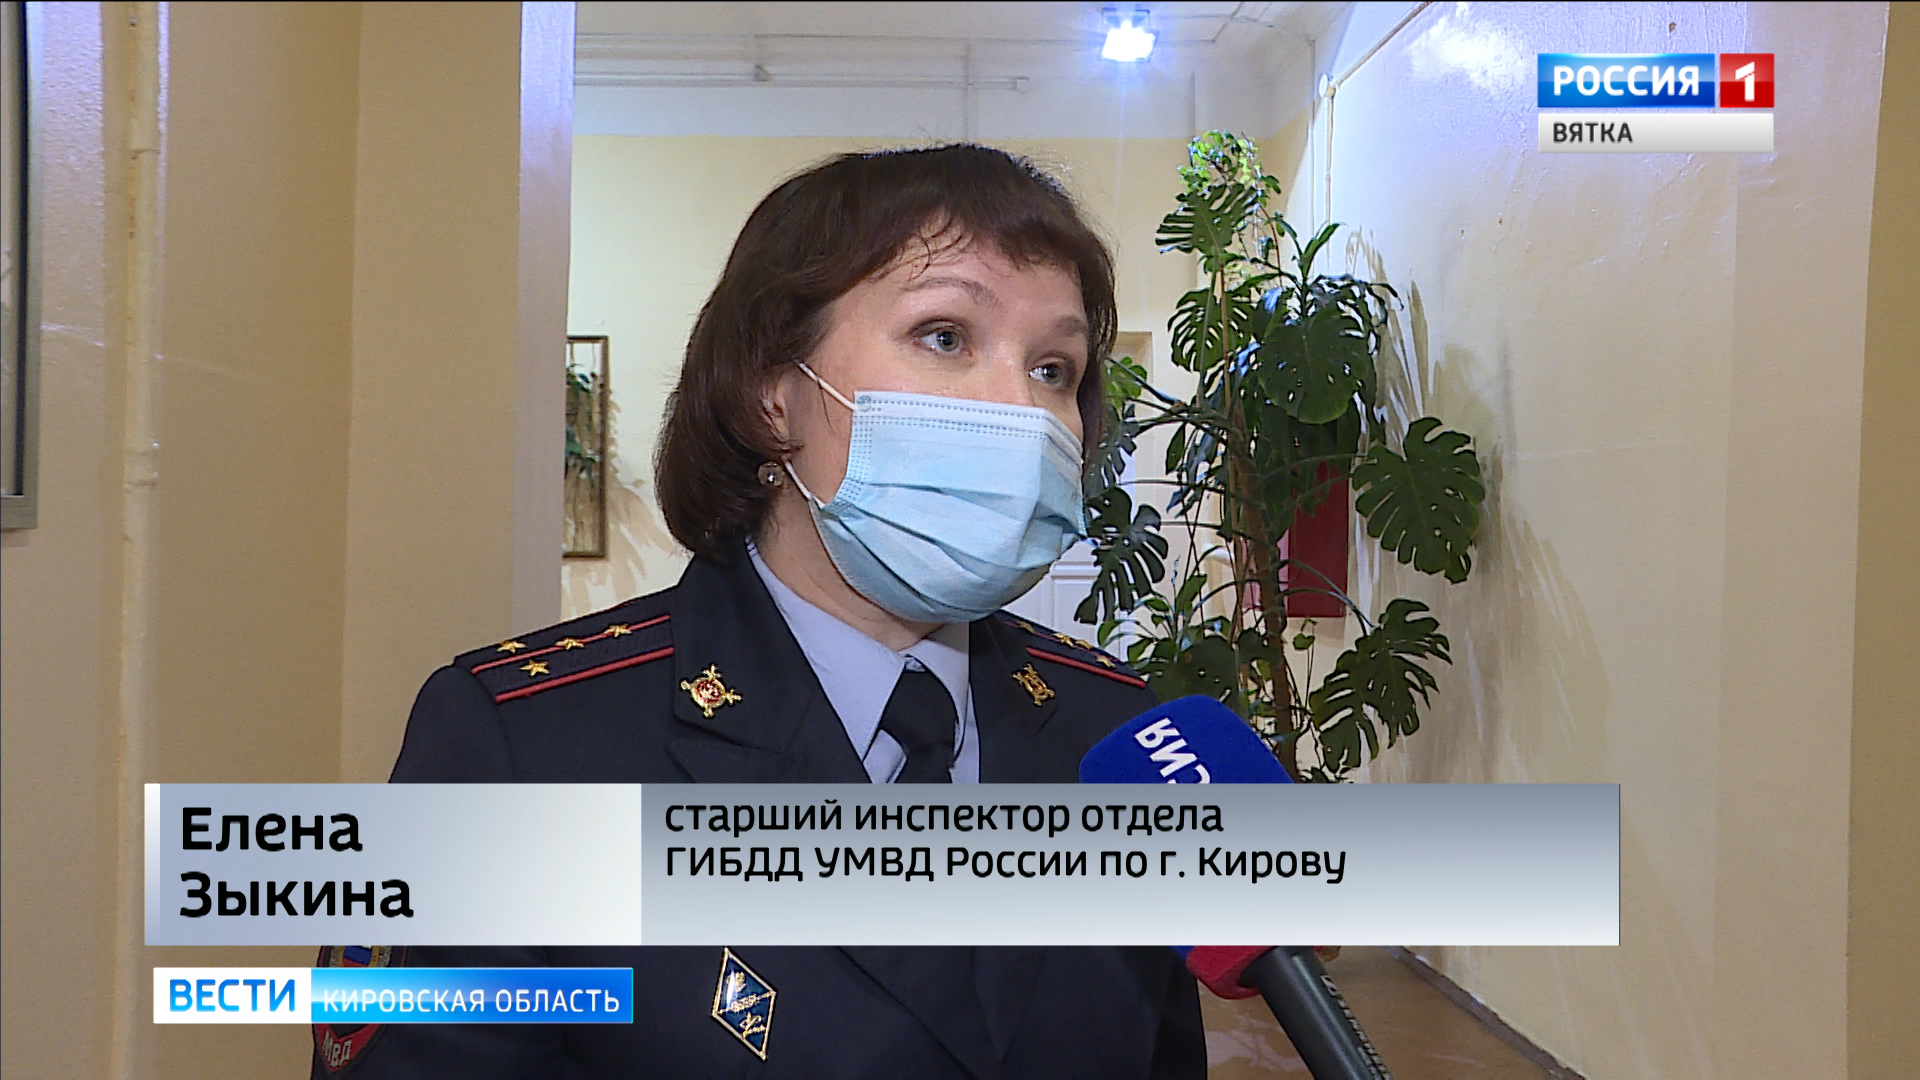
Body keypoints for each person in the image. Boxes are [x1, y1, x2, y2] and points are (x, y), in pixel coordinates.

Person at [313, 144, 1205, 1079]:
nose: (1018, 408)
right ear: (772, 391)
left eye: (1055, 369)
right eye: (945, 336)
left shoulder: (1125, 741)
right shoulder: (521, 749)